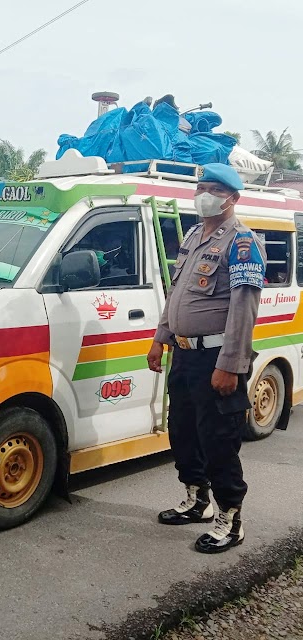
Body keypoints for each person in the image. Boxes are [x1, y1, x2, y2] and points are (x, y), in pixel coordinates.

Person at [147, 164, 266, 554]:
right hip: (183, 354)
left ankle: (229, 517)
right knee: (182, 430)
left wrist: (230, 365)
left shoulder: (243, 242)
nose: (204, 195)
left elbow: (243, 310)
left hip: (216, 358)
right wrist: (160, 339)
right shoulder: (196, 234)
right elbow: (177, 294)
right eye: (201, 188)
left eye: (213, 189)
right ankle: (196, 498)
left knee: (218, 440)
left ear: (233, 197)